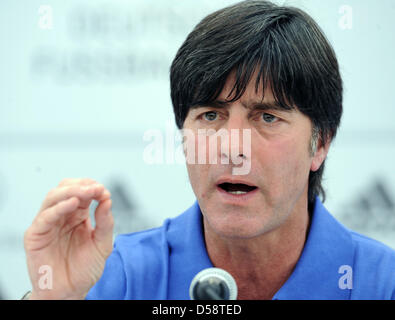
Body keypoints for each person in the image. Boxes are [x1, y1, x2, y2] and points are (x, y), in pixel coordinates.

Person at [23, 0, 395, 300]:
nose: (232, 148)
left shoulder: (382, 282)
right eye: (211, 115)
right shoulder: (115, 275)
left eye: (266, 117)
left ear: (321, 143)